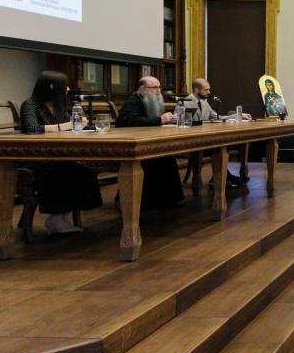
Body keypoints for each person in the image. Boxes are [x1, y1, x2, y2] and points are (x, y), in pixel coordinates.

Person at [18, 71, 103, 235]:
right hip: (34, 158)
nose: (68, 89)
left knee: (83, 171)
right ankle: (56, 218)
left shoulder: (57, 106)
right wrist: (67, 125)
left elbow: (72, 123)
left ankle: (63, 217)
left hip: (55, 155)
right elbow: (32, 129)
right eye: (64, 86)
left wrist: (81, 123)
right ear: (51, 87)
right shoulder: (30, 104)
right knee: (64, 171)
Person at [116, 76, 184, 211]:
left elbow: (152, 120)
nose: (158, 91)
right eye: (155, 88)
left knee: (167, 156)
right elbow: (129, 122)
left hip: (148, 142)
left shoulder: (151, 101)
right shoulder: (133, 101)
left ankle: (167, 199)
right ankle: (148, 201)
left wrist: (167, 120)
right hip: (133, 145)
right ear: (143, 89)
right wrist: (160, 120)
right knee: (158, 159)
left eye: (159, 87)